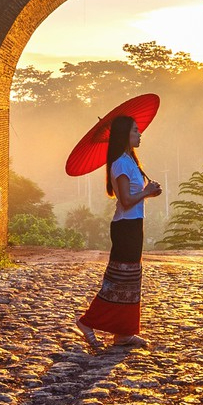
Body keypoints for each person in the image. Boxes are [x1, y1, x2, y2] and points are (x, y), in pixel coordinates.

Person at [74, 114, 162, 349]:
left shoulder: (129, 160)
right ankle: (87, 321)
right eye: (135, 130)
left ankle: (123, 332)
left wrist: (149, 192)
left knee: (130, 281)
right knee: (118, 280)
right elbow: (125, 200)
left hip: (133, 225)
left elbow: (132, 197)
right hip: (125, 227)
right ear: (124, 135)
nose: (139, 134)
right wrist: (146, 192)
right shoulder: (121, 164)